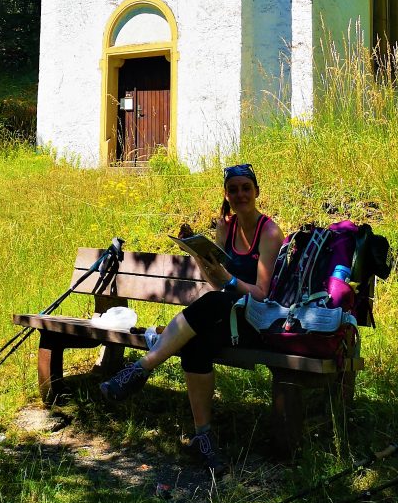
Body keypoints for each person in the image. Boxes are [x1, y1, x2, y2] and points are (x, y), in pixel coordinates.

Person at [99, 163, 283, 471]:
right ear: (227, 194)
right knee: (195, 344)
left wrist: (228, 280)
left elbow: (262, 293)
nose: (240, 195)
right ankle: (203, 437)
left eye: (246, 188)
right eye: (233, 189)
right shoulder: (227, 227)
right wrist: (203, 259)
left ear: (256, 192)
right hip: (227, 317)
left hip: (256, 321)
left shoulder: (269, 231)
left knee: (213, 303)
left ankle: (140, 369)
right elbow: (216, 283)